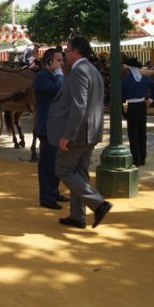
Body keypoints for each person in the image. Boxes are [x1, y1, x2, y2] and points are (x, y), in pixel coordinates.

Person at [47, 36, 113, 229]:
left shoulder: (79, 72)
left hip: (78, 134)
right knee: (80, 174)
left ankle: (98, 203)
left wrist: (67, 135)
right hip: (91, 132)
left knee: (63, 169)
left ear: (76, 52)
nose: (66, 55)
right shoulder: (93, 71)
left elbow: (79, 106)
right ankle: (77, 216)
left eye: (67, 51)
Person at [34, 48, 68, 210]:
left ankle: (54, 192)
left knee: (57, 163)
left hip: (57, 126)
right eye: (59, 60)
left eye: (62, 60)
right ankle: (46, 197)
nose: (62, 63)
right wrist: (61, 75)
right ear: (49, 62)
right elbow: (59, 90)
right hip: (47, 127)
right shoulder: (42, 77)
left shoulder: (55, 76)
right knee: (47, 164)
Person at [122, 57, 154, 167]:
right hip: (143, 106)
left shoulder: (125, 80)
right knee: (142, 133)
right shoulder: (144, 78)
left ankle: (136, 159)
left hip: (132, 106)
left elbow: (121, 94)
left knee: (132, 134)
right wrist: (151, 99)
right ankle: (143, 158)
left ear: (128, 67)